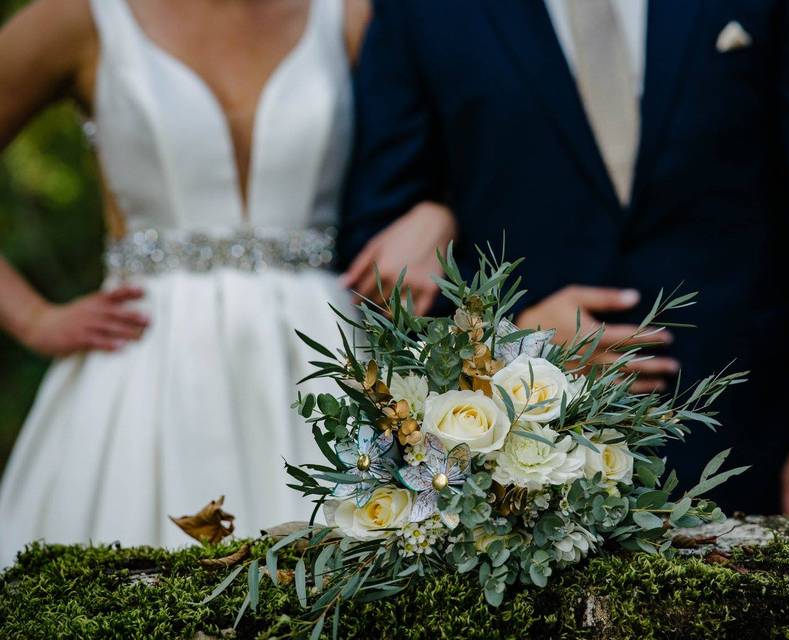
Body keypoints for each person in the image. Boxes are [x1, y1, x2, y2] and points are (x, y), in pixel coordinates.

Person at [341, 0, 789, 517]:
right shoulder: (417, 9)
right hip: (521, 490)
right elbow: (381, 263)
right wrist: (515, 342)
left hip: (754, 444)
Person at [0, 0, 455, 565]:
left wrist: (441, 213)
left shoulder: (349, 14)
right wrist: (31, 317)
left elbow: (460, 142)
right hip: (143, 368)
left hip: (327, 364)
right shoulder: (82, 16)